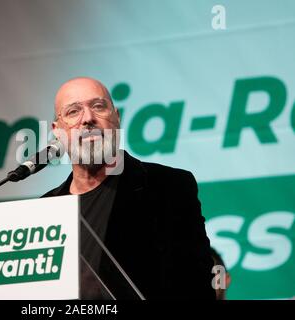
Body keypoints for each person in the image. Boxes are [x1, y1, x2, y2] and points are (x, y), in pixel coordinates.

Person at [42, 77, 215, 300]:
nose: (88, 119)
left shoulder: (168, 186)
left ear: (117, 118)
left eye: (98, 106)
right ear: (57, 131)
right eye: (73, 111)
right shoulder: (46, 209)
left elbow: (196, 285)